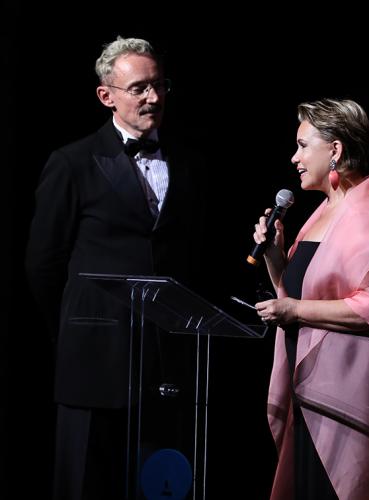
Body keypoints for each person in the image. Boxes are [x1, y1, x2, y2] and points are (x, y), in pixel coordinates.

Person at [25, 36, 204, 500]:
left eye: (159, 85)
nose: (154, 97)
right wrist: (76, 328)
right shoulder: (72, 162)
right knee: (87, 484)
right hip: (93, 360)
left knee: (158, 485)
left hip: (164, 361)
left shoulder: (186, 161)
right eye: (139, 88)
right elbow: (43, 265)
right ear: (107, 96)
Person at [253, 98, 369, 499]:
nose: (295, 158)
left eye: (303, 145)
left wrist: (294, 310)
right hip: (309, 393)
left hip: (343, 400)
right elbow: (298, 294)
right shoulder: (323, 212)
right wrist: (274, 257)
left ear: (335, 149)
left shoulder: (365, 216)